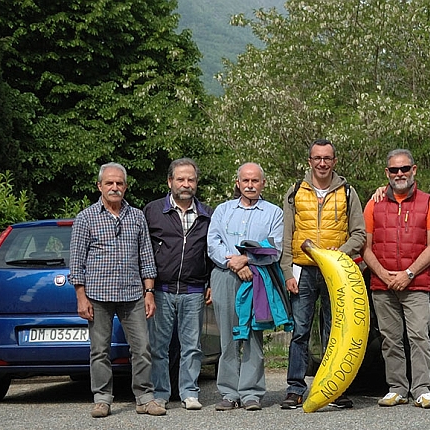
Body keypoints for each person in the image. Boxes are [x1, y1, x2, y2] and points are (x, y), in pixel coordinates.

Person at [69, 162, 165, 418]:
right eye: (109, 183)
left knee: (143, 348)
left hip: (133, 295)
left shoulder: (136, 216)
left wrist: (149, 292)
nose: (114, 187)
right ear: (99, 186)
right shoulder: (85, 218)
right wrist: (81, 296)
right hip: (97, 296)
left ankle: (145, 398)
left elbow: (146, 256)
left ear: (125, 186)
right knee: (99, 350)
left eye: (119, 183)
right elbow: (76, 261)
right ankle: (102, 399)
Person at [280, 139, 366, 410]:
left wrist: (338, 252)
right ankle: (295, 388)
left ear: (334, 161)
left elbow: (360, 234)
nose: (322, 163)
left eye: (327, 158)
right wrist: (286, 272)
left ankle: (334, 389)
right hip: (302, 270)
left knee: (336, 332)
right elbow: (286, 236)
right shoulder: (295, 191)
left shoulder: (348, 192)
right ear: (310, 161)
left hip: (336, 271)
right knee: (300, 331)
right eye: (317, 158)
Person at [362, 149, 430, 409]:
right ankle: (397, 387)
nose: (400, 174)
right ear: (387, 173)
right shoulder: (373, 203)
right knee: (390, 339)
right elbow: (365, 246)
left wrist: (408, 273)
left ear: (414, 170)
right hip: (382, 283)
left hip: (416, 283)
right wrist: (383, 274)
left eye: (405, 169)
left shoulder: (429, 202)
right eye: (394, 170)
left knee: (420, 336)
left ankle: (421, 389)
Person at [207, 163, 284, 411]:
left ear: (263, 183)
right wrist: (235, 264)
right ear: (238, 183)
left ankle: (251, 393)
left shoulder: (273, 213)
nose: (250, 185)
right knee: (228, 337)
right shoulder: (222, 210)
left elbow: (274, 247)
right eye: (245, 181)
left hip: (258, 276)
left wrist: (247, 259)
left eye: (255, 181)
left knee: (253, 334)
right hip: (225, 275)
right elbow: (213, 242)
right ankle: (229, 393)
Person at [144, 158, 213, 411]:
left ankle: (190, 392)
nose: (186, 184)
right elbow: (143, 252)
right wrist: (147, 288)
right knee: (159, 347)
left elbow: (211, 252)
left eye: (191, 180)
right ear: (170, 181)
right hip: (160, 290)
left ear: (196, 183)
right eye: (181, 179)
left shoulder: (207, 214)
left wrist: (210, 282)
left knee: (192, 347)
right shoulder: (152, 211)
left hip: (193, 290)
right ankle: (161, 393)